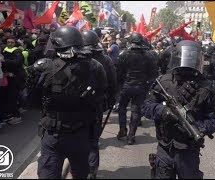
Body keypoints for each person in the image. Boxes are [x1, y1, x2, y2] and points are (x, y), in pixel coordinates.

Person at [29, 26, 107, 179]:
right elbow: (103, 98)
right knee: (80, 173)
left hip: (55, 134)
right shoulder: (95, 66)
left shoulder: (46, 65)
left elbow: (31, 102)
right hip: (79, 132)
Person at [142, 40, 215, 178]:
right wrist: (163, 111)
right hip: (165, 147)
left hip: (189, 150)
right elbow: (146, 107)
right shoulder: (164, 82)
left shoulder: (209, 87)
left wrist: (198, 128)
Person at [80, 29, 118, 179]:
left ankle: (81, 169)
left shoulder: (76, 57)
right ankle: (91, 171)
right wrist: (111, 98)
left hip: (80, 105)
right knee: (92, 140)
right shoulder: (106, 59)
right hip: (97, 104)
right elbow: (113, 83)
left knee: (79, 137)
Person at [115, 32, 159, 145]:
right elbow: (153, 73)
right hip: (140, 86)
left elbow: (118, 72)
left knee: (122, 108)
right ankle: (131, 136)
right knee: (136, 110)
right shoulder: (149, 55)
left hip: (127, 85)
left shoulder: (124, 54)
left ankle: (122, 128)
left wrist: (119, 86)